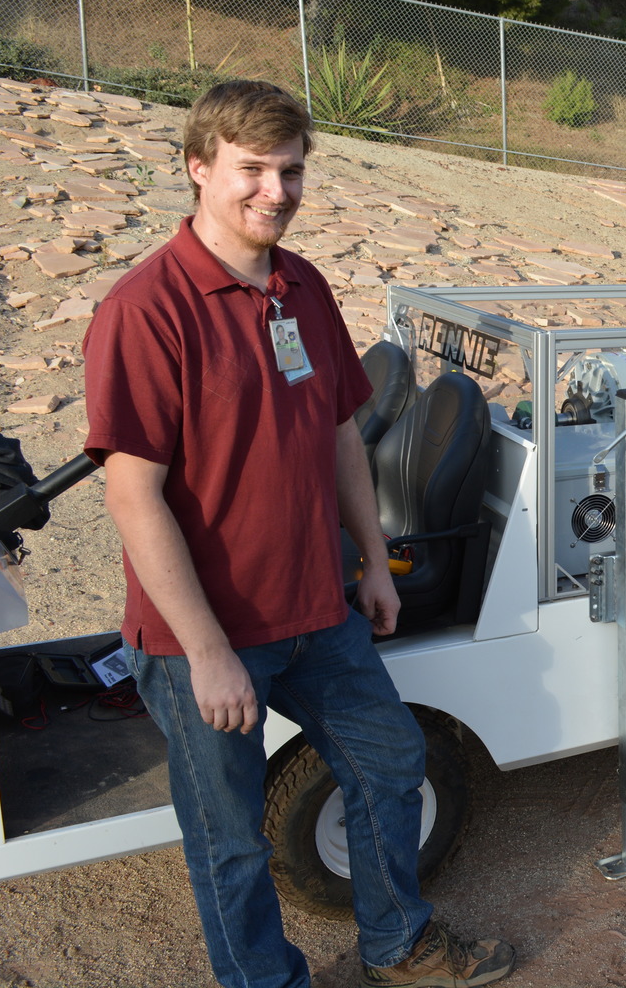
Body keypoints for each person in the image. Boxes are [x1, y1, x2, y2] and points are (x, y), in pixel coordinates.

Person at [82, 81, 514, 988]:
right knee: (230, 838)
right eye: (251, 171)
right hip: (207, 633)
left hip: (318, 608)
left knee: (392, 763)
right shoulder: (146, 310)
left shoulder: (300, 285)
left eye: (291, 171)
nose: (275, 192)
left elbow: (337, 436)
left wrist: (374, 563)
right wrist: (205, 652)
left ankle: (399, 944)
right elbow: (134, 498)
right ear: (198, 169)